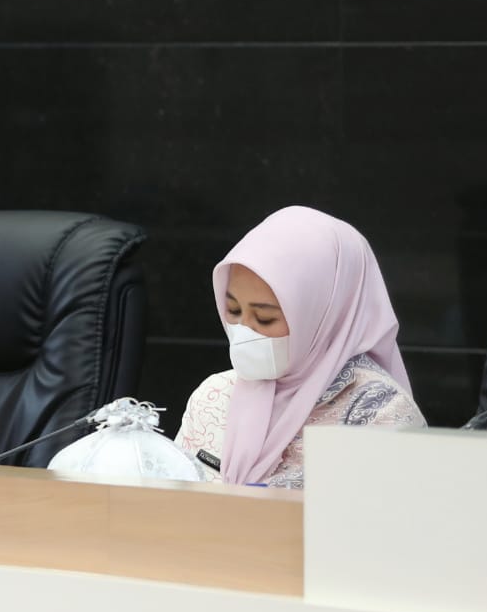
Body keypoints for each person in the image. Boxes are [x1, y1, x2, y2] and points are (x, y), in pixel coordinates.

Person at [175, 206, 425, 489]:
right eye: (233, 311)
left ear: (323, 315)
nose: (244, 329)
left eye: (264, 318)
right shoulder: (215, 396)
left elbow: (392, 512)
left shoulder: (377, 410)